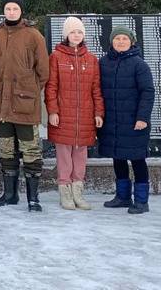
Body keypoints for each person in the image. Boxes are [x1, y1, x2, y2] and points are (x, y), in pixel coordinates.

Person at [0, 0, 49, 212]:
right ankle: (10, 194)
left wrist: (28, 91)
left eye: (15, 8)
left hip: (24, 106)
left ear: (21, 11)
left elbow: (43, 72)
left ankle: (33, 197)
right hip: (0, 104)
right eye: (7, 8)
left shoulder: (33, 36)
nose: (11, 12)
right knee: (6, 150)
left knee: (31, 151)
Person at [45, 16, 104, 210]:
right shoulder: (56, 57)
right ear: (66, 35)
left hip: (85, 117)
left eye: (79, 32)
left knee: (80, 156)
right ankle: (65, 192)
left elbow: (96, 89)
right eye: (72, 32)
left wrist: (98, 113)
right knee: (64, 155)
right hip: (63, 115)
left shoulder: (91, 59)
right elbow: (51, 87)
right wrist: (52, 110)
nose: (76, 35)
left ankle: (78, 192)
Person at [98, 26, 155, 214]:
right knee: (118, 158)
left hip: (134, 122)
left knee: (138, 160)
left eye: (124, 38)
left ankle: (141, 201)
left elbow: (147, 92)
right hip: (112, 122)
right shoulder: (103, 63)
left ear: (131, 42)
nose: (120, 42)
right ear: (111, 42)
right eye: (117, 39)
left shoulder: (139, 64)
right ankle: (122, 197)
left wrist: (142, 118)